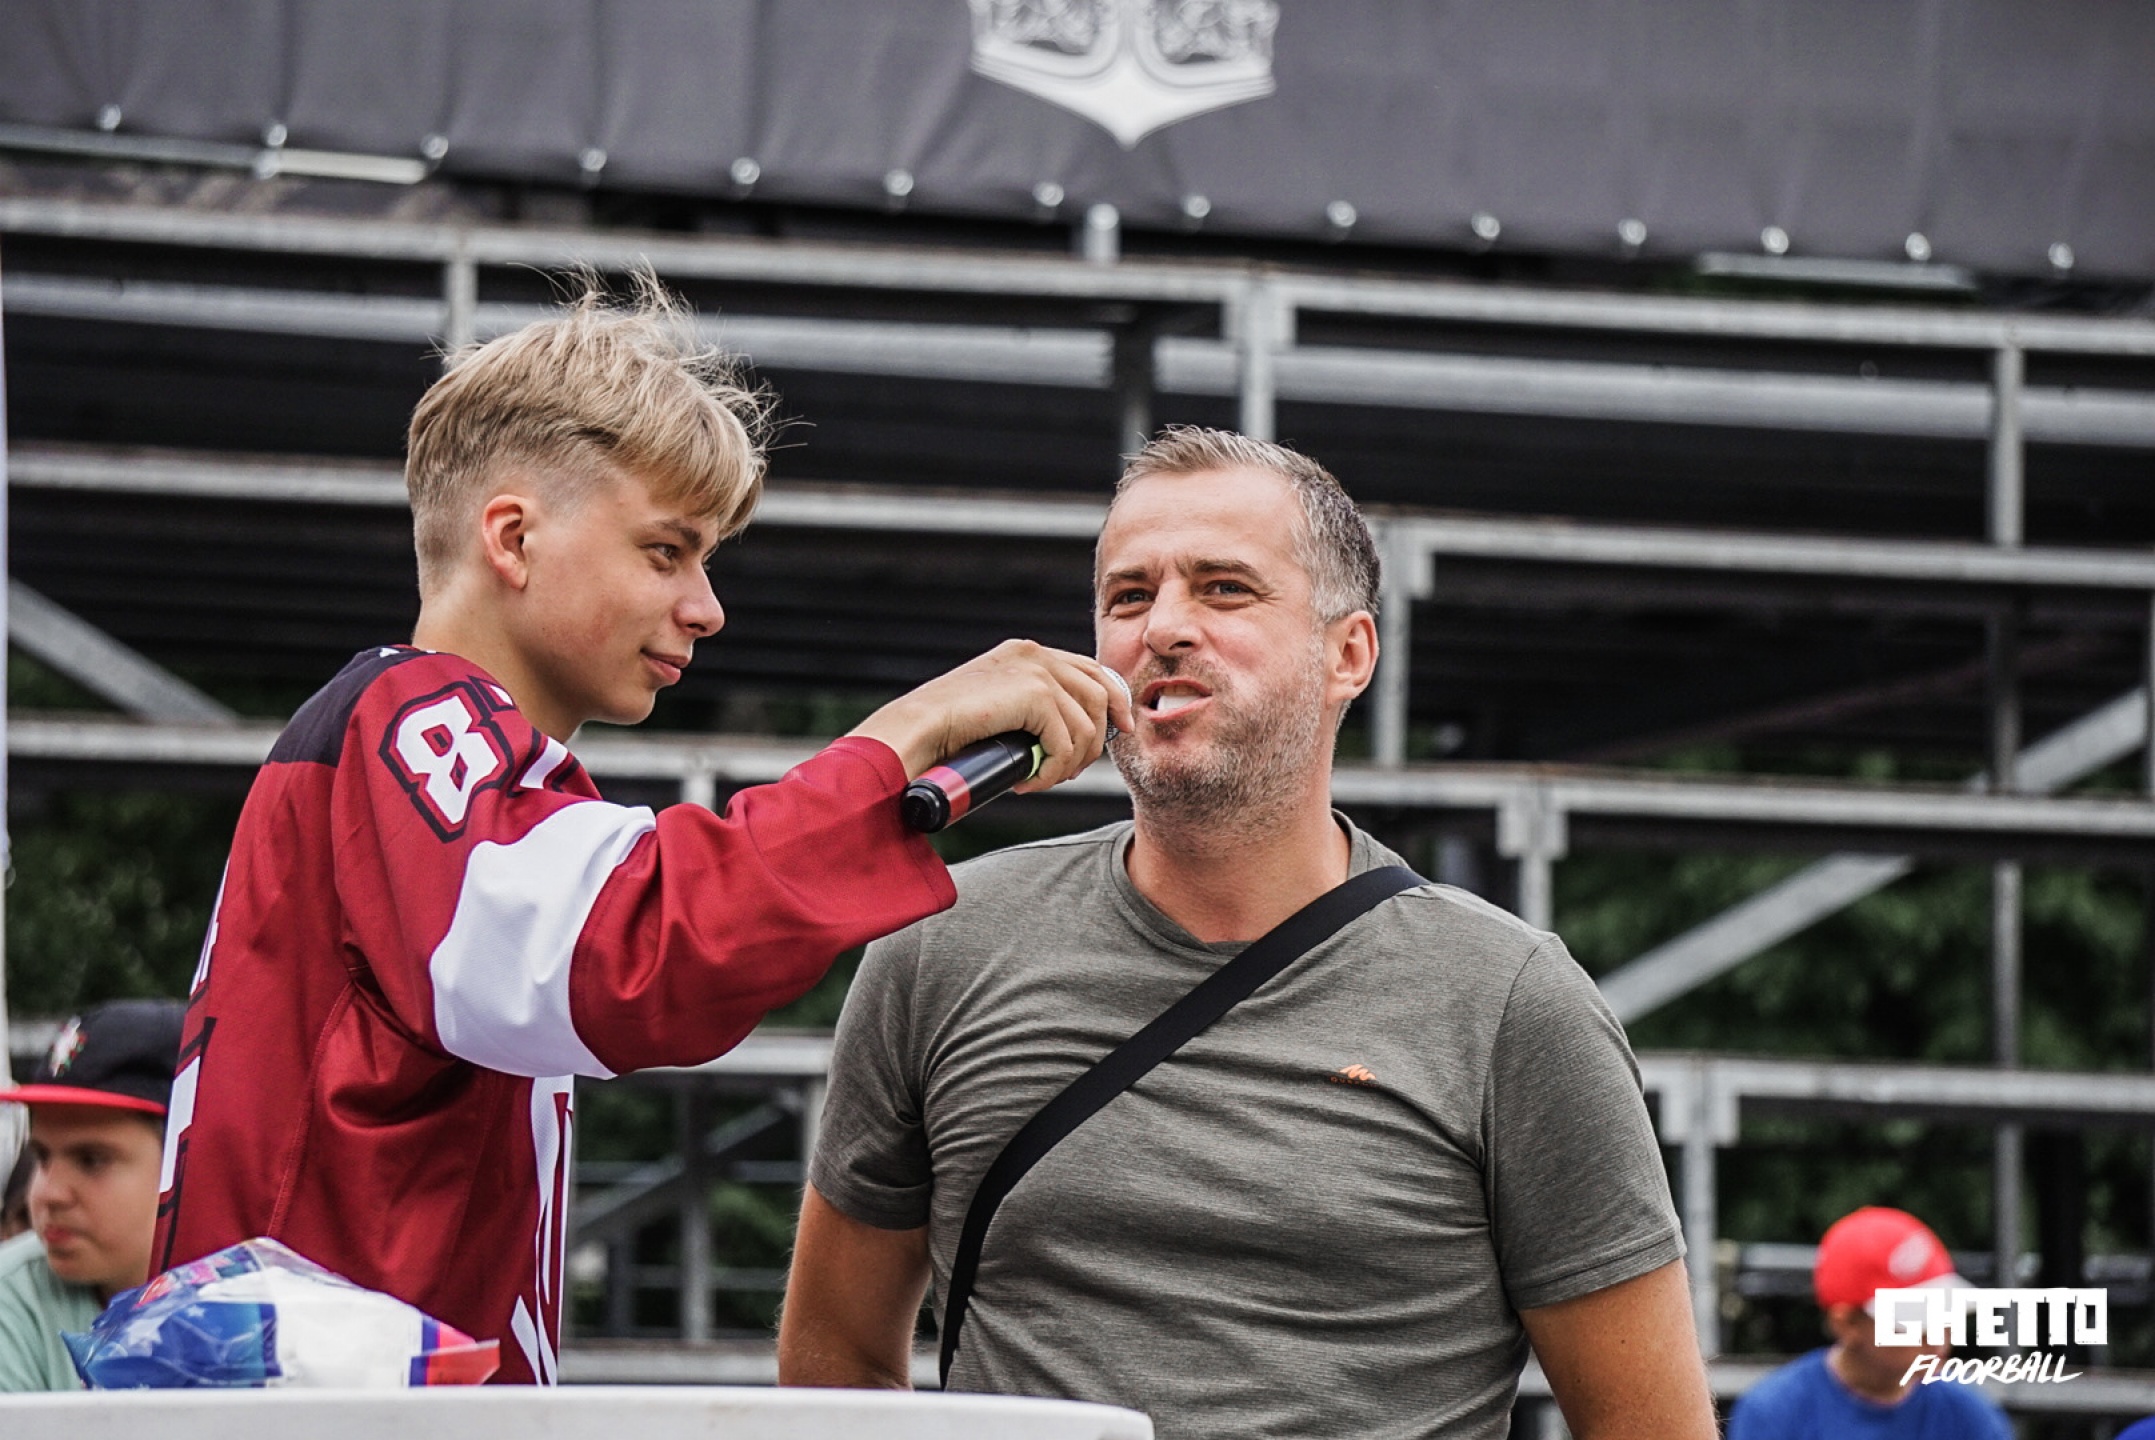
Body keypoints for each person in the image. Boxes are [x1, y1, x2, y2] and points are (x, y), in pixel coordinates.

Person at [153, 281, 1127, 1386]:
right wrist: (903, 738)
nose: (706, 607)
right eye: (667, 551)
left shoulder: (432, 752)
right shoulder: (411, 716)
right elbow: (630, 950)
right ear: (512, 538)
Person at [780, 427, 1716, 1440]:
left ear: (1347, 654)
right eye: (1128, 597)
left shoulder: (1508, 1002)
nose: (1164, 628)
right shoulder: (941, 947)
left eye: (1223, 589)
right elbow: (834, 1369)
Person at [0, 1000, 186, 1391]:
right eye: (42, 1156)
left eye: (91, 1160)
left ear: (186, 1160)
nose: (48, 1193)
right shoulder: (12, 1297)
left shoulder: (273, 1294)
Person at [1728, 1206, 2010, 1439]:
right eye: (1915, 1322)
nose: (1938, 1338)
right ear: (1846, 1324)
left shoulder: (1970, 1417)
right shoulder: (1775, 1413)